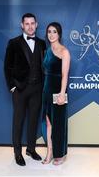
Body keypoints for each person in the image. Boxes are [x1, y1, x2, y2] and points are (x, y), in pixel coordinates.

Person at [4, 13, 46, 166]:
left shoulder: (42, 43)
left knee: (33, 120)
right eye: (26, 23)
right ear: (22, 25)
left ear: (37, 24)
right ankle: (17, 153)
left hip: (37, 89)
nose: (30, 26)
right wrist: (12, 87)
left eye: (32, 23)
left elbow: (44, 66)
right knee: (18, 121)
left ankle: (31, 149)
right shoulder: (13, 43)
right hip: (20, 89)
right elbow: (7, 67)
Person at [41, 22, 70, 165]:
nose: (51, 35)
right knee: (48, 123)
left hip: (59, 90)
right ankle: (50, 152)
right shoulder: (47, 51)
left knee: (59, 123)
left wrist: (61, 94)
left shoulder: (64, 51)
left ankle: (60, 154)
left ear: (59, 34)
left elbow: (65, 75)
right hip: (47, 90)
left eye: (54, 32)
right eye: (49, 32)